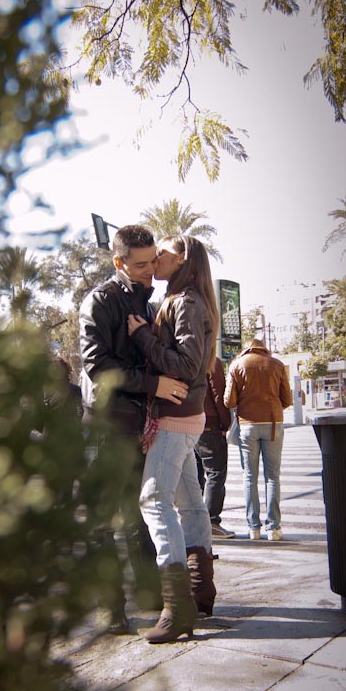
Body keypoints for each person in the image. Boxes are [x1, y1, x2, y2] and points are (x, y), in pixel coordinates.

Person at [79, 225, 188, 634]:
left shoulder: (151, 301)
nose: (148, 270)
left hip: (138, 426)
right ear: (118, 262)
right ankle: (110, 612)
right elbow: (98, 368)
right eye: (139, 264)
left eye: (151, 262)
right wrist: (153, 384)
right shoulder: (99, 302)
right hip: (105, 427)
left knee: (138, 516)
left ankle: (153, 599)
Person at [127, 234, 220, 643]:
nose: (156, 260)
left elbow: (185, 363)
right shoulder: (187, 300)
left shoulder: (185, 303)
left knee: (153, 500)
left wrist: (143, 337)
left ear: (182, 259)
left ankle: (178, 606)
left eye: (162, 254)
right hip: (188, 417)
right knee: (190, 503)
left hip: (176, 418)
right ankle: (200, 590)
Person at [224, 339, 293, 541]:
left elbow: (229, 401)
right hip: (273, 424)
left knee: (249, 478)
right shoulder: (277, 364)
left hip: (247, 425)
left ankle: (253, 528)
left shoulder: (237, 364)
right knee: (273, 477)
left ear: (246, 348)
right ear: (264, 348)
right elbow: (287, 400)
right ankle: (274, 528)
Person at [195, 357, 235, 538]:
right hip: (210, 424)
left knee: (195, 477)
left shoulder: (183, 356)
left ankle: (196, 521)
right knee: (216, 473)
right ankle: (211, 521)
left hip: (188, 423)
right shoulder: (211, 360)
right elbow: (219, 395)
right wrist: (226, 424)